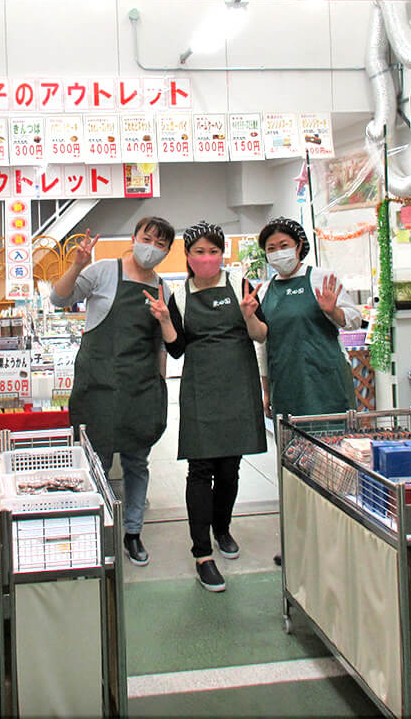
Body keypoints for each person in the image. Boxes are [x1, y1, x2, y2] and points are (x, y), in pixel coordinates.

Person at [145, 222, 267, 593]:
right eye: (199, 251)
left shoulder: (240, 284)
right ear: (188, 256)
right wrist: (166, 320)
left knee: (230, 467)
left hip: (238, 384)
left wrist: (248, 314)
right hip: (201, 388)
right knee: (201, 468)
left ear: (222, 254)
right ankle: (202, 553)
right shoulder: (178, 296)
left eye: (214, 251)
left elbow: (261, 334)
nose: (207, 258)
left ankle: (223, 528)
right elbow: (178, 348)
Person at [49, 216, 175, 566]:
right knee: (96, 460)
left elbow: (162, 346)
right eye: (147, 238)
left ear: (167, 251)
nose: (152, 247)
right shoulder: (103, 271)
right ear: (134, 237)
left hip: (140, 386)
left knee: (137, 461)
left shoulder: (164, 289)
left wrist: (160, 386)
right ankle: (95, 530)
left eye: (161, 243)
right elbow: (58, 300)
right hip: (98, 386)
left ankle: (132, 533)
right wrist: (76, 265)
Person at [255, 216, 362, 418]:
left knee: (334, 443)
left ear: (298, 246)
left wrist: (333, 311)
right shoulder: (265, 291)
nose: (278, 252)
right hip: (286, 383)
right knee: (292, 447)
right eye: (271, 248)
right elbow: (262, 346)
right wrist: (266, 391)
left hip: (327, 379)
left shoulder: (321, 278)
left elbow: (355, 319)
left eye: (283, 245)